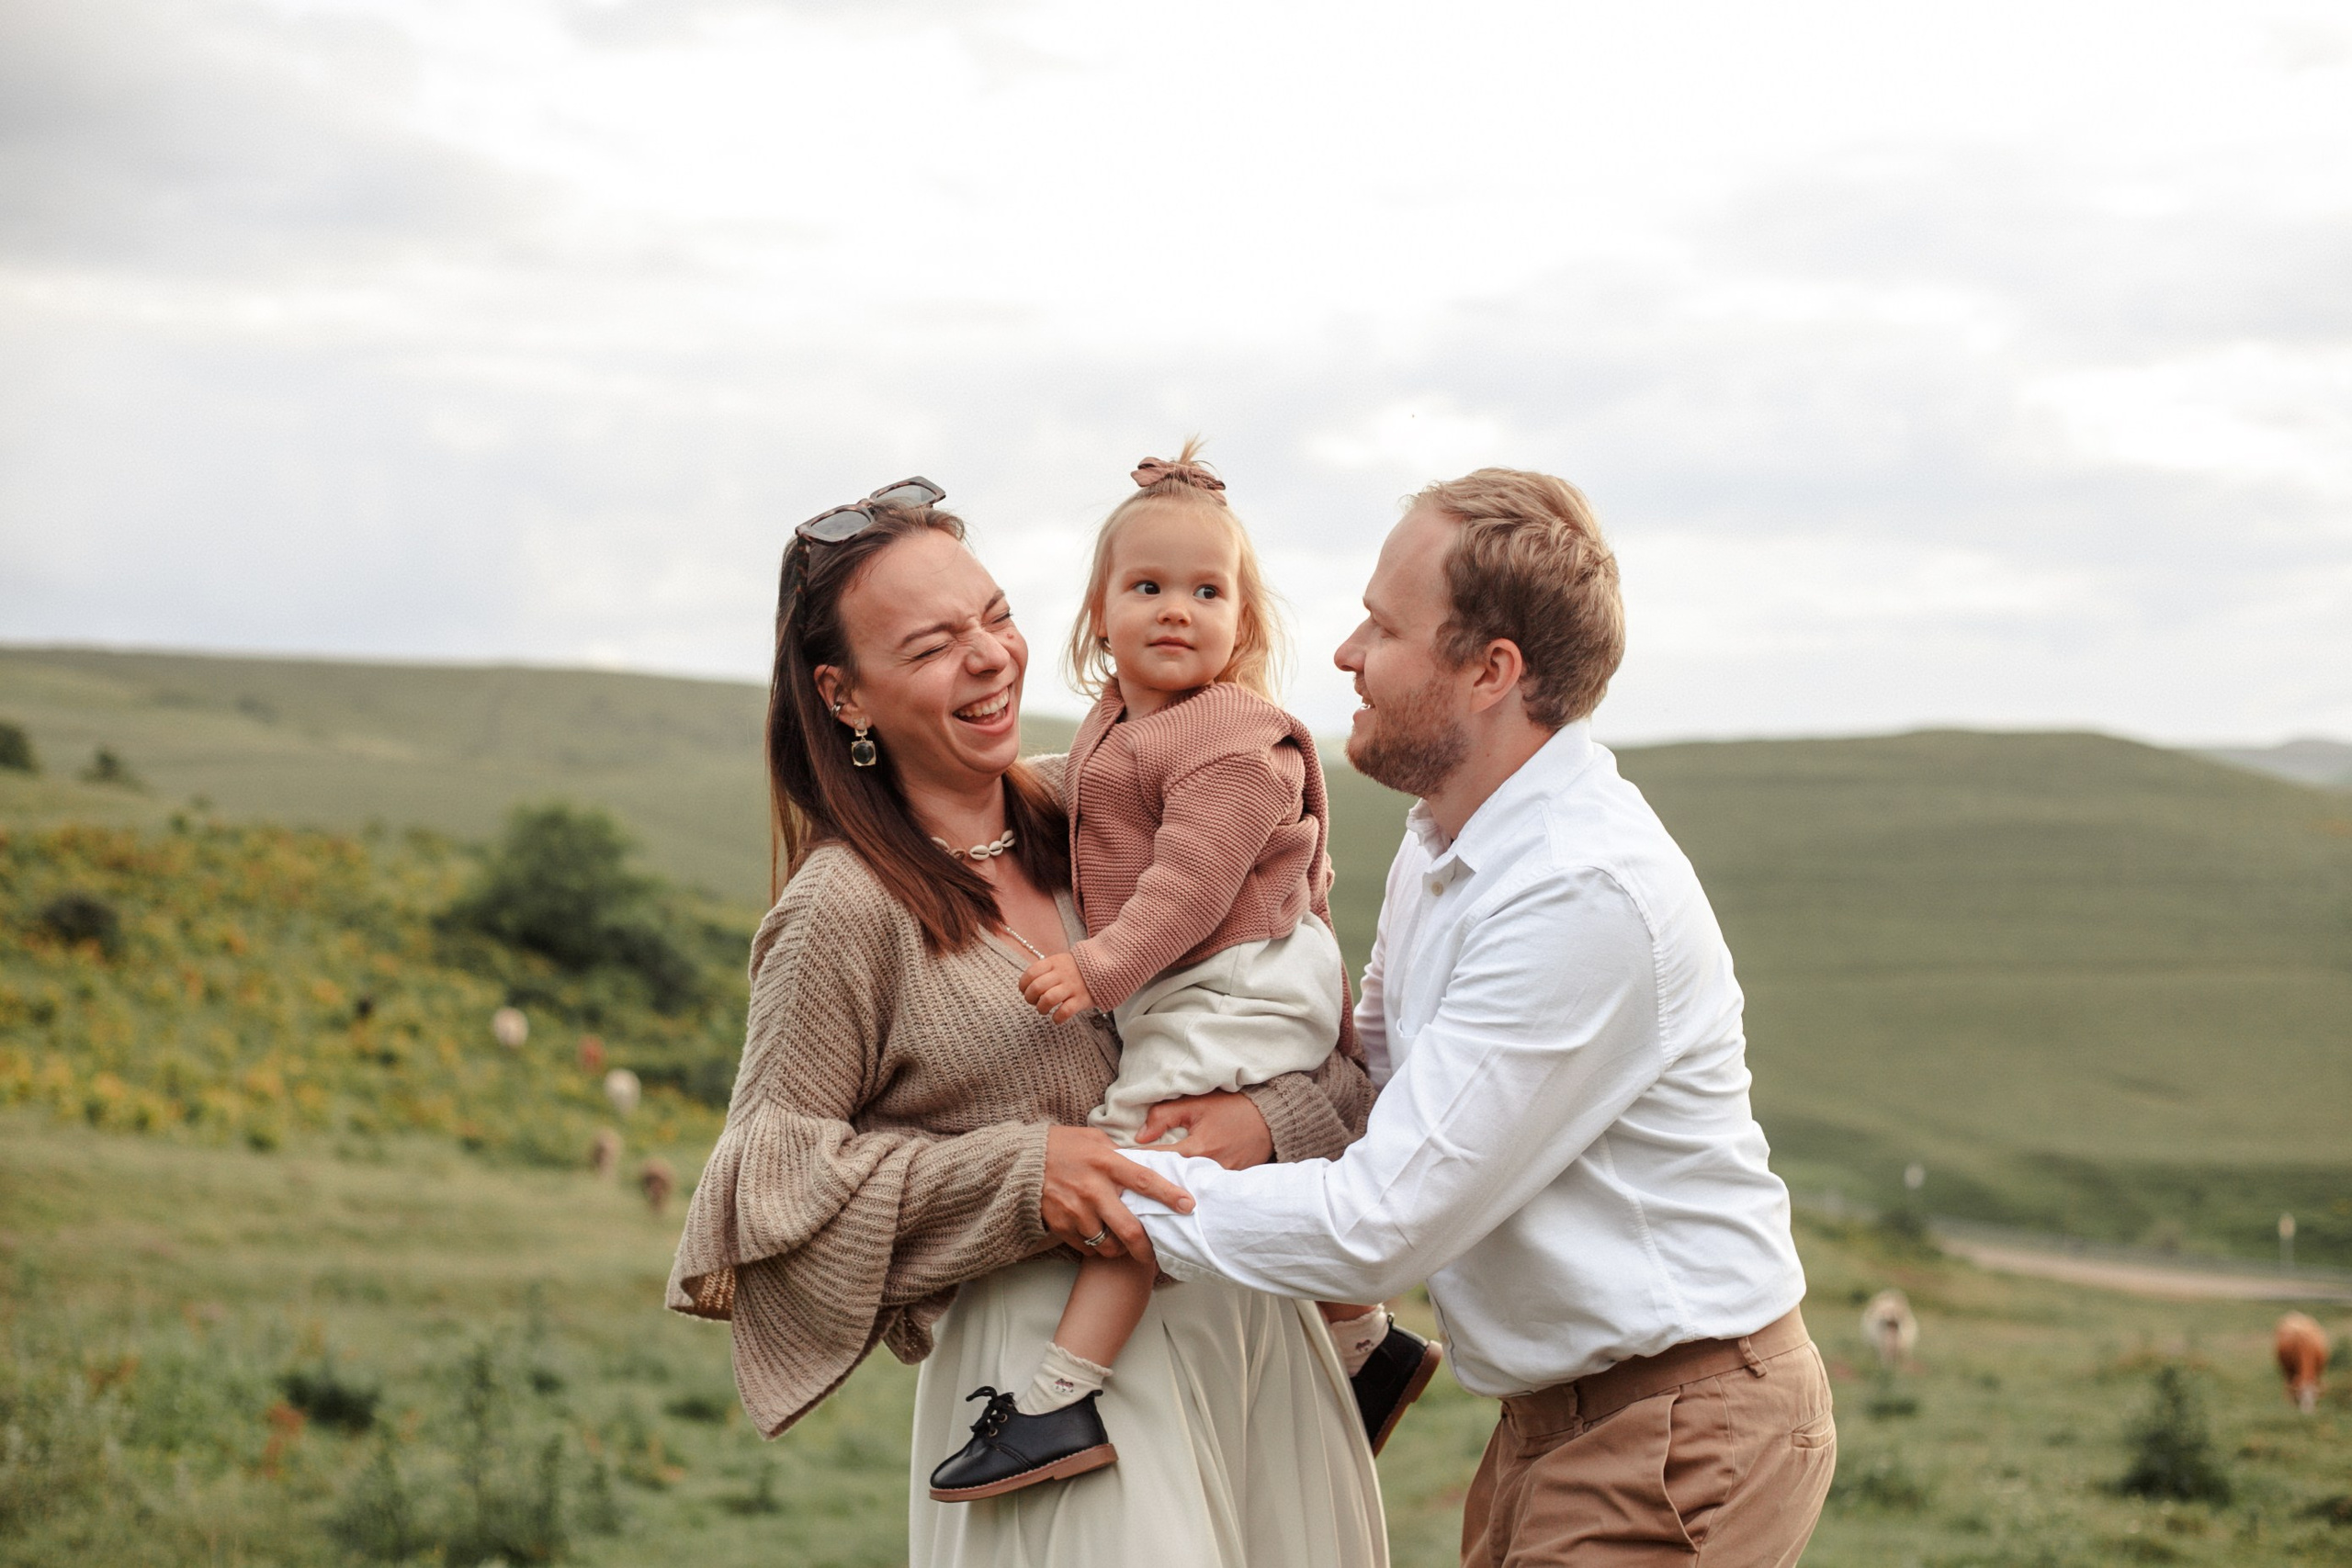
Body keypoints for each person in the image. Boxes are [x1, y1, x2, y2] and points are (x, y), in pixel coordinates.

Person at [1117, 469, 1837, 1567]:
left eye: (1384, 627)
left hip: (1674, 1429)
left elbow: (1382, 1222)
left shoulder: (1579, 891)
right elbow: (1380, 1079)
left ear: (1490, 671)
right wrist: (1262, 1122)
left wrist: (1105, 1191)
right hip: (1555, 1420)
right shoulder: (1441, 837)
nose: (1347, 654)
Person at [665, 479, 1387, 1568]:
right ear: (844, 695)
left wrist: (1264, 1119)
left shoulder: (1109, 814)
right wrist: (1023, 1174)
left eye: (994, 617)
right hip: (1051, 1395)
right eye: (930, 646)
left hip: (1255, 1337)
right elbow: (766, 1184)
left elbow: (1321, 1049)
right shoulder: (843, 909)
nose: (990, 656)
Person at [928, 446, 1441, 1503]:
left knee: (1141, 1152)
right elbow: (1086, 796)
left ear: (1243, 626)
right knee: (1187, 1139)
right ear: (1097, 617)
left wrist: (1099, 969)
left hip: (1241, 967)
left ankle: (1060, 1397)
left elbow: (1191, 882)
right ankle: (1366, 1344)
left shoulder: (1230, 742)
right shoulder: (1123, 721)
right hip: (1212, 974)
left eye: (1207, 592)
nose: (1176, 610)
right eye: (1147, 588)